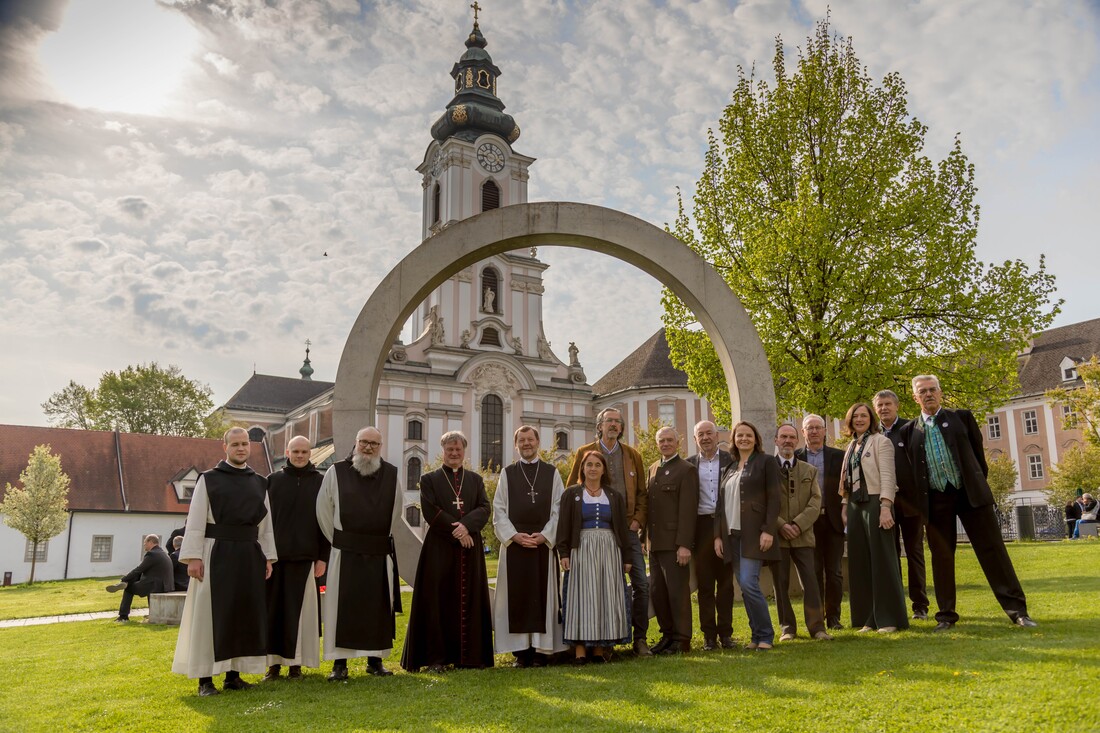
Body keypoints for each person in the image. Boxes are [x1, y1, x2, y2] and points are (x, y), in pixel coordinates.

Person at [897, 375, 1036, 629]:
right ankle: (946, 616)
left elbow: (978, 458)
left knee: (993, 551)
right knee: (941, 558)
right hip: (935, 499)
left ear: (940, 392)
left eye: (932, 389)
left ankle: (1018, 612)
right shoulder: (909, 431)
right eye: (922, 391)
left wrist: (975, 484)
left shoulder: (961, 417)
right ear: (915, 398)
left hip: (970, 494)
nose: (928, 394)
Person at [172, 427, 276, 697]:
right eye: (235, 444)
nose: (241, 448)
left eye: (245, 444)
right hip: (214, 552)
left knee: (242, 613)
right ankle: (205, 680)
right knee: (209, 616)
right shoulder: (209, 479)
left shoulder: (259, 482)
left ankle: (233, 676)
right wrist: (193, 557)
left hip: (249, 554)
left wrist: (268, 556)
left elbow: (265, 525)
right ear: (225, 447)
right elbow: (196, 519)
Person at [401, 431, 494, 672]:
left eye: (458, 449)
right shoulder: (429, 479)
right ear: (443, 451)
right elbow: (430, 511)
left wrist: (466, 526)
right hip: (439, 548)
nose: (454, 453)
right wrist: (459, 531)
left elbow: (485, 507)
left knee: (470, 599)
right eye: (450, 449)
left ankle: (469, 657)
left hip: (469, 548)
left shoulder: (475, 480)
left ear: (464, 451)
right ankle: (437, 658)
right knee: (437, 600)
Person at [316, 427, 402, 680]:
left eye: (374, 444)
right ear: (355, 443)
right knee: (342, 608)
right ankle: (339, 664)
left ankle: (375, 661)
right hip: (346, 553)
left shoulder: (391, 474)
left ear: (380, 447)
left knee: (377, 608)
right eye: (364, 442)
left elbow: (396, 511)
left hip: (377, 552)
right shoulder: (336, 472)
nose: (368, 447)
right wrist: (342, 540)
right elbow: (323, 510)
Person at [567, 407, 651, 656]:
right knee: (597, 585)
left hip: (627, 530)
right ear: (600, 426)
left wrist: (637, 520)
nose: (613, 425)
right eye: (609, 421)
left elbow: (642, 494)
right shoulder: (585, 452)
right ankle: (602, 641)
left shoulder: (632, 455)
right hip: (594, 530)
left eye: (617, 421)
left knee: (641, 584)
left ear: (621, 427)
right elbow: (571, 489)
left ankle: (640, 638)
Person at [493, 426, 567, 667]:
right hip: (515, 545)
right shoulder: (507, 473)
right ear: (516, 445)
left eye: (530, 439)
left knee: (543, 597)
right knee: (517, 598)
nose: (526, 444)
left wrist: (544, 536)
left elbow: (559, 508)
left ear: (538, 442)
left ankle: (541, 651)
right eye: (521, 440)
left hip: (542, 545)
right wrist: (514, 536)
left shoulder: (552, 473)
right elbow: (499, 509)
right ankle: (521, 653)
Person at [263, 436, 330, 681]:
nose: (300, 455)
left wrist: (323, 557)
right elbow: (264, 522)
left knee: (301, 615)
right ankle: (273, 666)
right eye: (296, 451)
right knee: (274, 613)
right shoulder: (272, 481)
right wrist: (265, 556)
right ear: (287, 452)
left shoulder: (321, 482)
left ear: (310, 453)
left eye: (304, 451)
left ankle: (296, 665)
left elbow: (326, 523)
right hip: (276, 560)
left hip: (306, 560)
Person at [839, 403, 908, 633]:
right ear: (850, 420)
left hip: (876, 502)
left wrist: (886, 506)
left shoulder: (882, 442)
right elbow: (846, 480)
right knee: (860, 563)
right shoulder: (851, 446)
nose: (859, 419)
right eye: (855, 416)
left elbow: (889, 476)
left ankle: (889, 618)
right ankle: (868, 618)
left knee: (882, 561)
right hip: (855, 505)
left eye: (864, 416)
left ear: (871, 419)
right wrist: (844, 506)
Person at [557, 450, 632, 664]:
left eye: (597, 465)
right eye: (589, 464)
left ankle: (599, 651)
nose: (593, 469)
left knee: (603, 597)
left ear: (603, 470)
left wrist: (626, 557)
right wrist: (564, 553)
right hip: (581, 548)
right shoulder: (571, 494)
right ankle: (580, 652)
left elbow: (622, 529)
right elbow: (563, 526)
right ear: (582, 468)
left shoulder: (614, 496)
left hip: (609, 550)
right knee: (581, 598)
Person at [715, 421, 780, 650]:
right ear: (733, 439)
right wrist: (718, 536)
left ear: (756, 439)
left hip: (754, 533)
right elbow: (720, 505)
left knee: (748, 582)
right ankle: (756, 636)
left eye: (748, 435)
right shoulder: (730, 467)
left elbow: (775, 499)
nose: (744, 439)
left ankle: (766, 636)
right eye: (739, 435)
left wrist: (768, 530)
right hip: (731, 535)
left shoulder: (766, 462)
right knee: (745, 587)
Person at [874, 389, 930, 620]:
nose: (884, 408)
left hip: (910, 502)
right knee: (890, 554)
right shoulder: (872, 433)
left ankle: (920, 605)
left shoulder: (912, 428)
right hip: (883, 503)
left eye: (888, 404)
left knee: (914, 552)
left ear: (896, 406)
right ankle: (896, 604)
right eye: (880, 405)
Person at [772, 424, 831, 641]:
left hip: (803, 536)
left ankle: (817, 628)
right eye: (783, 437)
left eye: (791, 437)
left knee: (811, 582)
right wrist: (780, 525)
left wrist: (797, 524)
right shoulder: (767, 469)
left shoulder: (809, 470)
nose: (787, 441)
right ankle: (787, 628)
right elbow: (762, 502)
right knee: (781, 584)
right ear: (776, 440)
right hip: (778, 537)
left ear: (797, 441)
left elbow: (816, 502)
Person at [647, 426, 697, 654]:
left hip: (675, 544)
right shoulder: (653, 468)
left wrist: (684, 544)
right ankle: (667, 635)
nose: (665, 444)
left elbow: (688, 510)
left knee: (677, 593)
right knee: (658, 592)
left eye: (669, 440)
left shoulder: (686, 469)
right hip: (654, 543)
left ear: (678, 442)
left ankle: (682, 638)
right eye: (662, 440)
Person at [687, 420, 736, 650]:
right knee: (705, 585)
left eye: (709, 433)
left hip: (726, 524)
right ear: (695, 439)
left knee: (726, 584)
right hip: (701, 527)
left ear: (717, 436)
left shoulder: (731, 460)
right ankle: (709, 636)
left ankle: (726, 634)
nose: (705, 438)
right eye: (701, 434)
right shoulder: (689, 465)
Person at [796, 414, 845, 630]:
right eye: (810, 428)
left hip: (833, 521)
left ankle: (833, 617)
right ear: (803, 432)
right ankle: (816, 619)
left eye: (818, 427)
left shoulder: (839, 456)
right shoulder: (795, 458)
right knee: (812, 572)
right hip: (807, 523)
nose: (814, 431)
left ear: (825, 431)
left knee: (834, 572)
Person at [106, 533, 174, 622]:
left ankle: (123, 616)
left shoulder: (152, 554)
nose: (144, 545)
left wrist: (124, 578)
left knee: (128, 589)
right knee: (135, 578)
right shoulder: (163, 553)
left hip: (154, 585)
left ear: (150, 542)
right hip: (166, 585)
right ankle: (126, 583)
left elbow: (139, 569)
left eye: (145, 542)